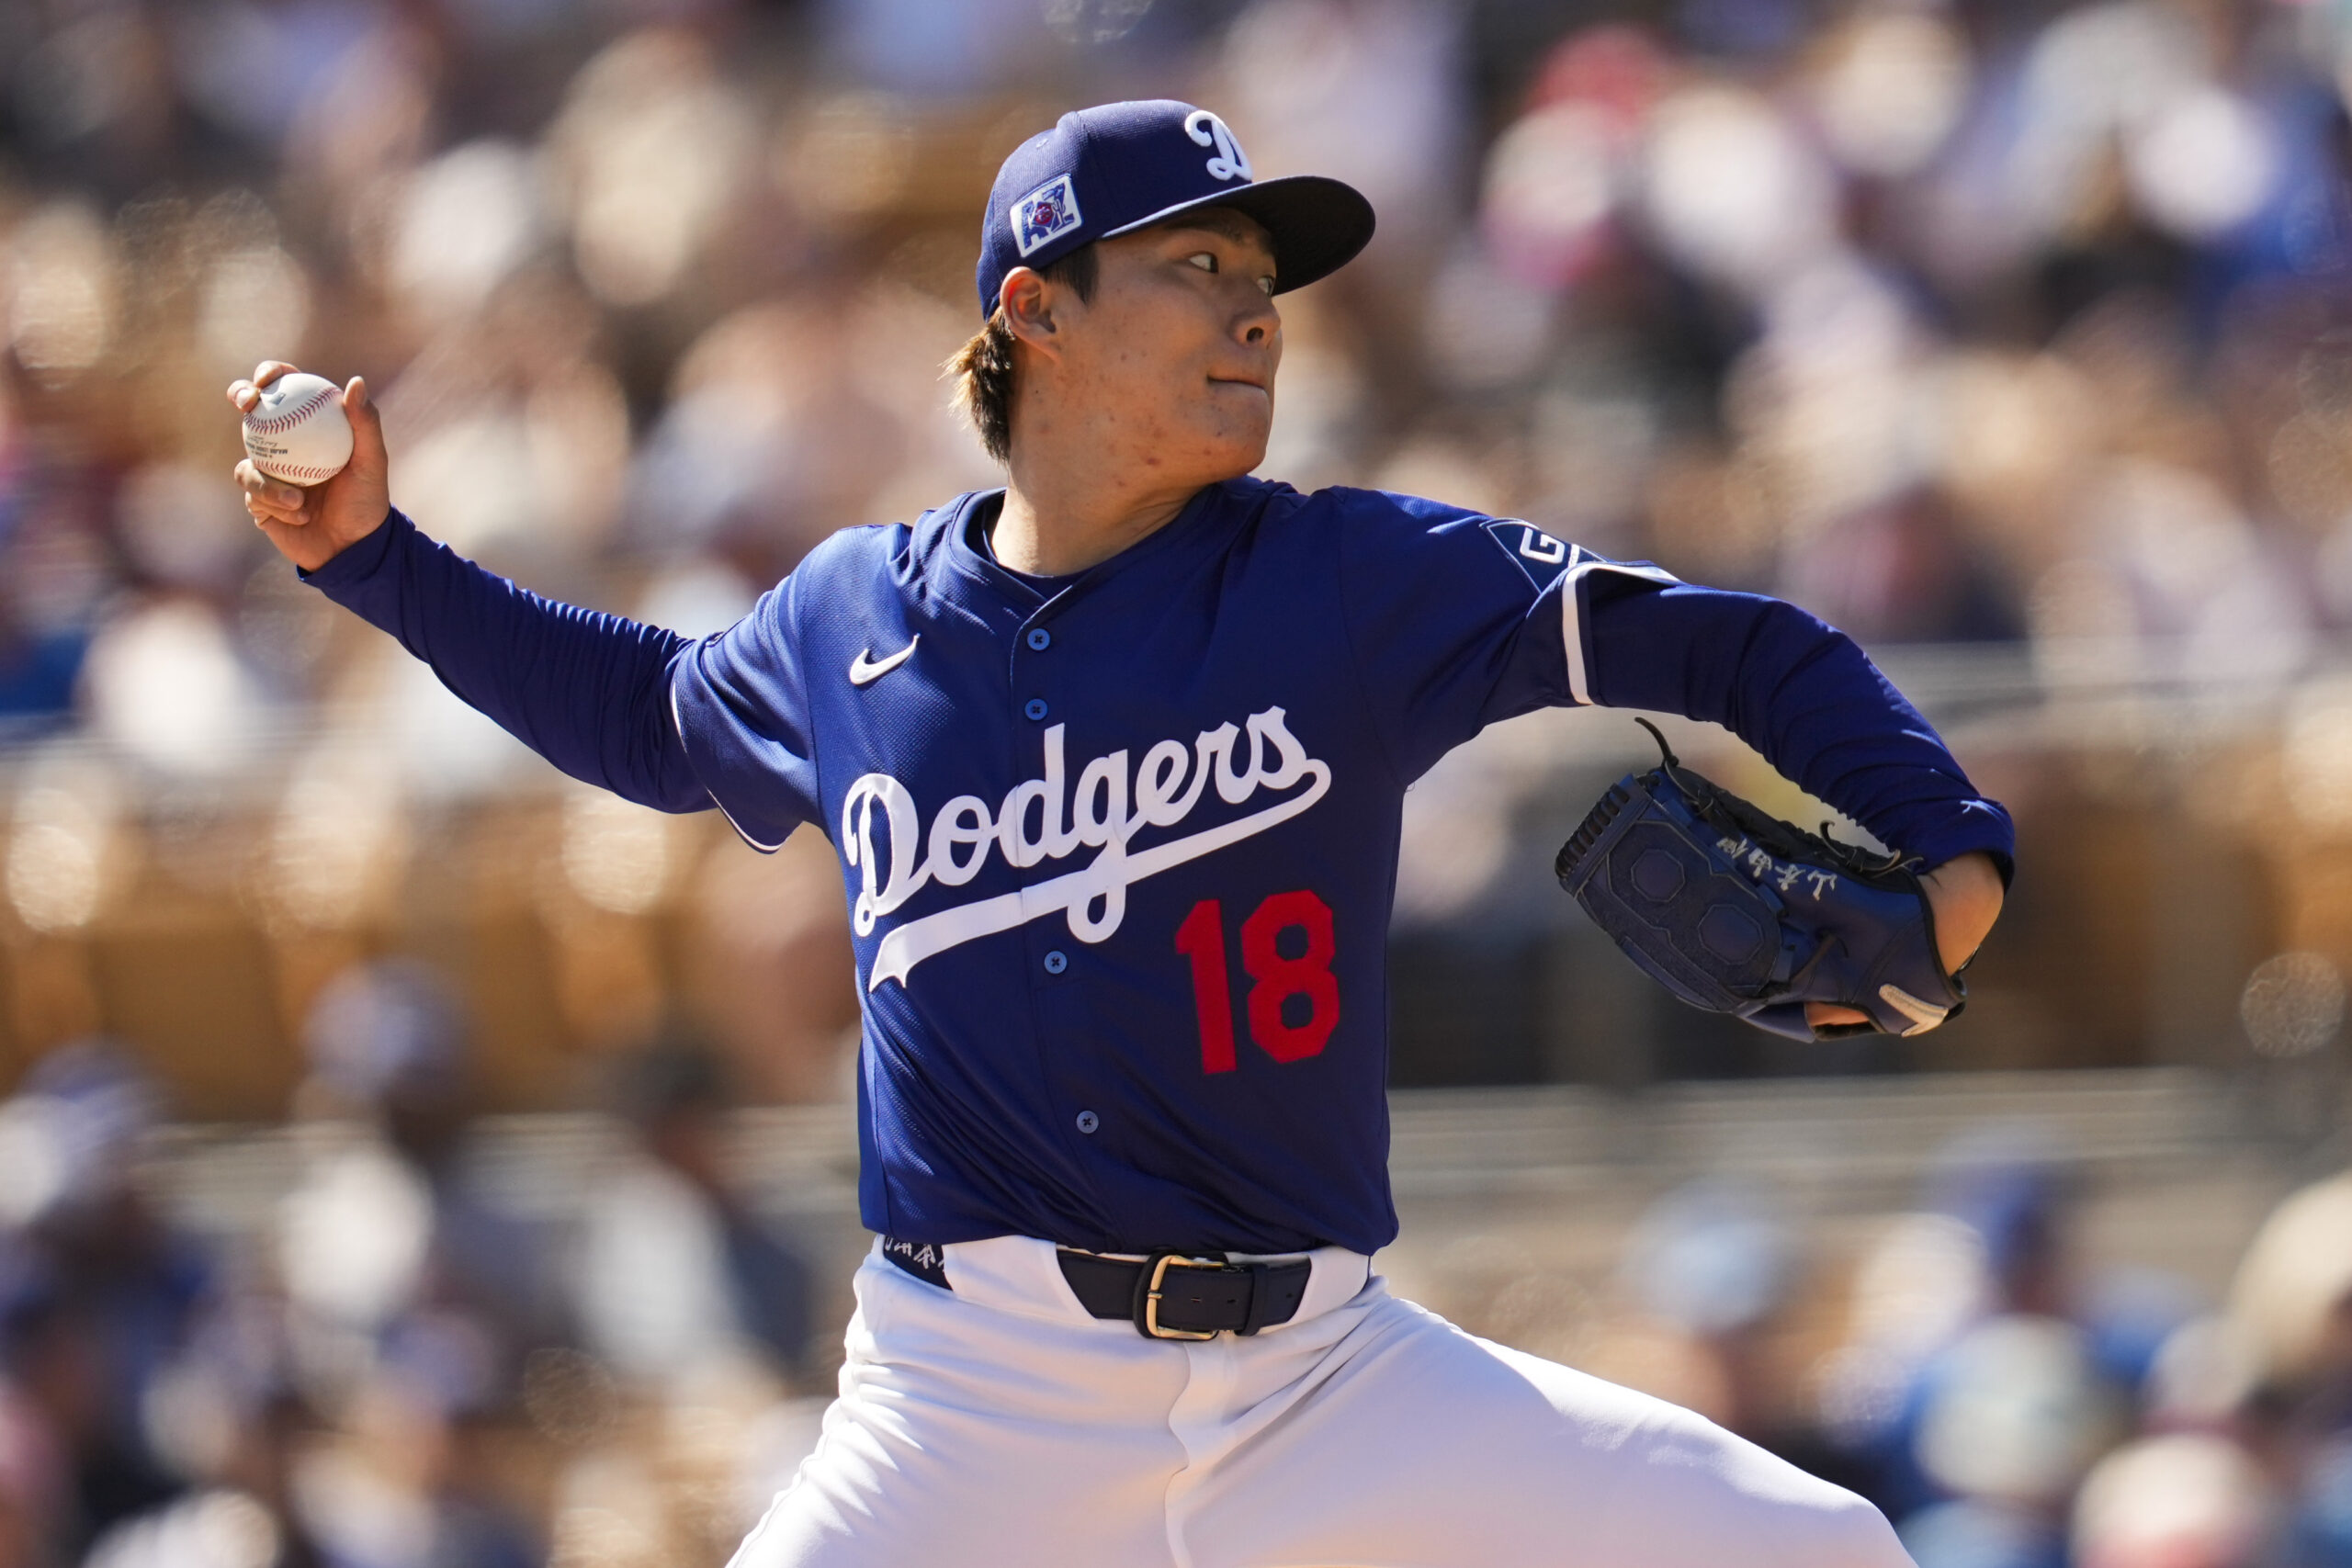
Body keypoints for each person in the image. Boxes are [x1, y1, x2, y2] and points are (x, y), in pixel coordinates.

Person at [230, 99, 2009, 1567]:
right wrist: (378, 560)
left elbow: (1723, 640)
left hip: (1323, 1384)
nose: (1257, 310)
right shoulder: (862, 618)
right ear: (1036, 311)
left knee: (1819, 1544)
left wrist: (1948, 846)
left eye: (1263, 276)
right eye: (1198, 264)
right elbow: (647, 719)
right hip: (964, 1404)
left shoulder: (1344, 577)